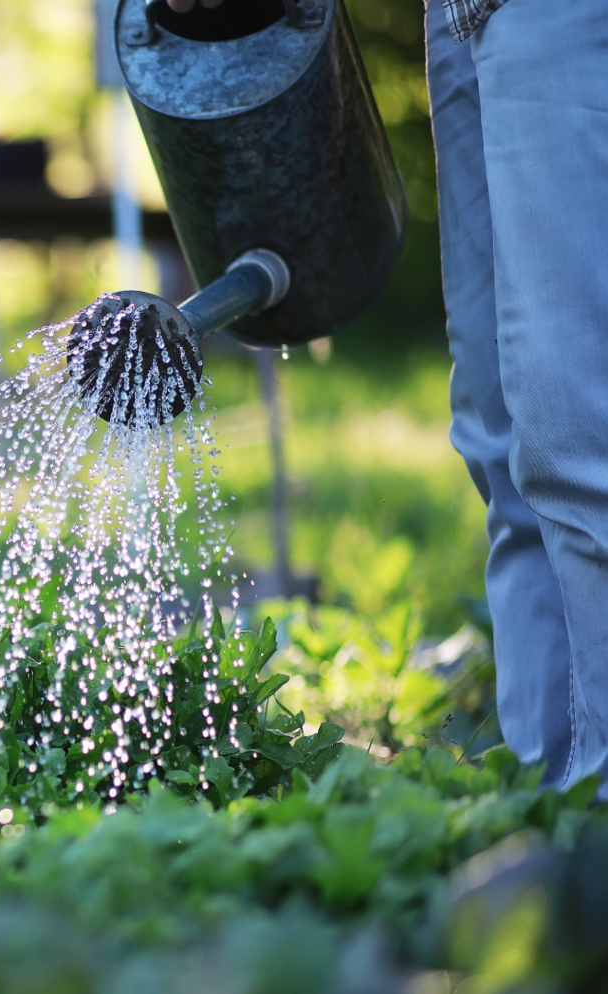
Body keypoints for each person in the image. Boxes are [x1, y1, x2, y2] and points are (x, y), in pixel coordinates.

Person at [164, 0, 608, 796]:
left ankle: (595, 812)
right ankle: (546, 799)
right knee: (498, 440)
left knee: (574, 431)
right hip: (460, 13)